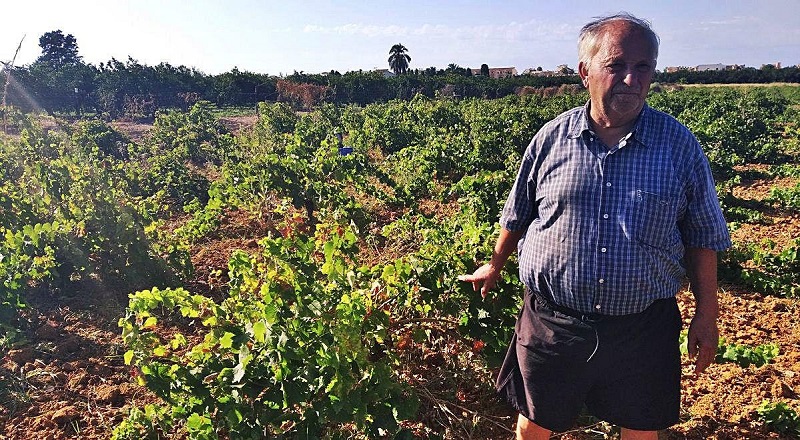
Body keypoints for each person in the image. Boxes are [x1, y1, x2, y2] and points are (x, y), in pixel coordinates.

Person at [459, 12, 731, 440]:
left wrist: (707, 315)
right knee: (534, 425)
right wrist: (494, 264)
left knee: (640, 430)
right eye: (617, 65)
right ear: (585, 71)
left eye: (643, 67)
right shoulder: (550, 140)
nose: (631, 79)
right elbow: (518, 213)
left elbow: (703, 236)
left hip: (642, 328)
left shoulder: (679, 146)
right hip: (553, 323)